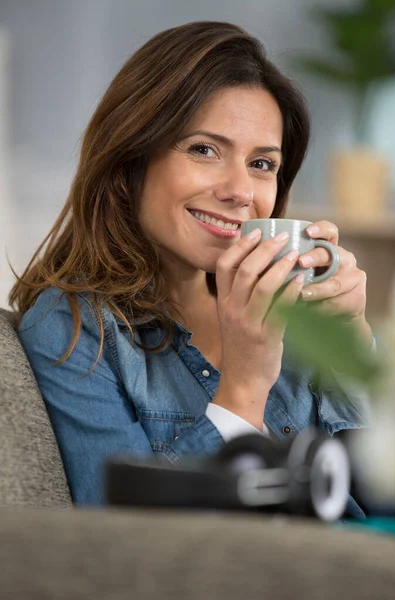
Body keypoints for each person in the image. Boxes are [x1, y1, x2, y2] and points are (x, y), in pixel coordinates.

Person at [11, 21, 373, 509]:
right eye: (204, 149)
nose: (241, 191)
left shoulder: (292, 310)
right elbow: (118, 540)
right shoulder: (76, 329)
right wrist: (243, 386)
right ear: (130, 162)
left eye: (262, 164)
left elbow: (373, 497)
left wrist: (350, 349)